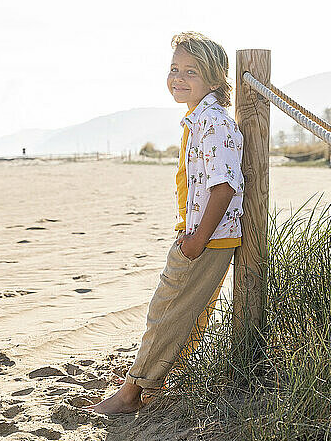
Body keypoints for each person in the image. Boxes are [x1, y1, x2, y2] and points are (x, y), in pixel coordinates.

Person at [84, 31, 244, 415]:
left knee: (164, 310)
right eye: (175, 69)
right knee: (187, 313)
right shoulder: (199, 119)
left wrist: (195, 241)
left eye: (191, 71)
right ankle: (158, 387)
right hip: (204, 235)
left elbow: (224, 188)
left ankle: (130, 393)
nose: (178, 78)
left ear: (214, 79)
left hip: (206, 238)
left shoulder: (214, 123)